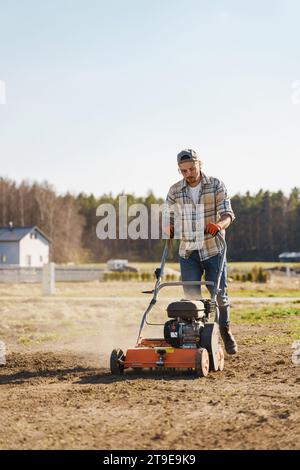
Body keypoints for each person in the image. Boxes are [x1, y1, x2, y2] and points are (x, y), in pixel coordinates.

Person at [163, 148, 237, 355]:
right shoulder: (175, 190)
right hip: (188, 251)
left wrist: (220, 225)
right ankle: (196, 337)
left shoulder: (215, 185)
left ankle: (225, 330)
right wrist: (167, 227)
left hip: (213, 249)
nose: (189, 174)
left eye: (191, 168)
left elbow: (228, 214)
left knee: (220, 296)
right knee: (191, 298)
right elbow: (167, 216)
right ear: (179, 171)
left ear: (199, 164)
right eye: (184, 170)